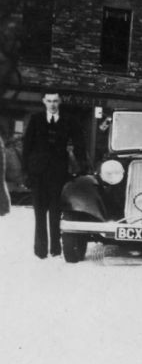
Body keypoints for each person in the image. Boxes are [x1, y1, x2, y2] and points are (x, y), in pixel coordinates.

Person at [22, 89, 88, 259]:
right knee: (39, 212)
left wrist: (83, 166)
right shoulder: (36, 120)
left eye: (55, 101)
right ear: (44, 102)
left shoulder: (68, 121)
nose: (52, 104)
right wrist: (25, 173)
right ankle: (40, 249)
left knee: (56, 210)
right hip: (37, 173)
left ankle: (55, 248)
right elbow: (27, 147)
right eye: (49, 100)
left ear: (60, 102)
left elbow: (80, 143)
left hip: (59, 173)